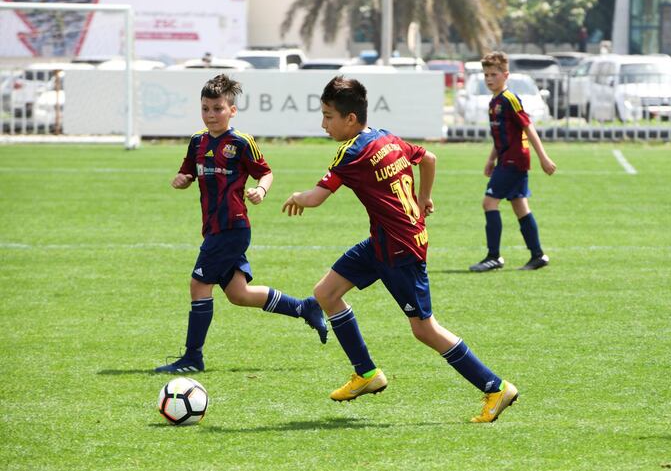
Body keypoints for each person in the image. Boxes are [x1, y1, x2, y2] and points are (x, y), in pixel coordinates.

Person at [281, 76, 518, 423]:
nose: (323, 123)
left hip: (400, 249)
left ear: (350, 119)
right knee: (326, 292)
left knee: (424, 329)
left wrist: (297, 197)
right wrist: (424, 198)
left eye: (328, 116)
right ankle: (366, 373)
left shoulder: (351, 153)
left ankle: (495, 387)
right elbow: (430, 158)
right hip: (383, 242)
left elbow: (315, 199)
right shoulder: (385, 137)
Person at [155, 74, 327, 374]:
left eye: (218, 108)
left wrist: (261, 190)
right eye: (206, 108)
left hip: (232, 227)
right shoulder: (197, 142)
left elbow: (266, 172)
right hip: (213, 227)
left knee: (199, 284)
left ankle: (192, 357)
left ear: (232, 110)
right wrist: (180, 181)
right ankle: (304, 307)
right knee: (239, 295)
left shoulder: (241, 142)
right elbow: (187, 175)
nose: (211, 115)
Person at [469, 51, 557, 272]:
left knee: (489, 203)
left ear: (505, 75)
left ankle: (493, 256)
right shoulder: (494, 102)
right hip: (505, 160)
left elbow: (528, 127)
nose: (489, 79)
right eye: (486, 75)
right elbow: (501, 136)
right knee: (520, 206)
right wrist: (491, 160)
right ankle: (538, 255)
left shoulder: (509, 99)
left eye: (494, 75)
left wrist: (544, 158)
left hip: (513, 161)